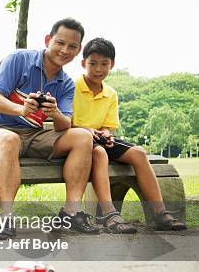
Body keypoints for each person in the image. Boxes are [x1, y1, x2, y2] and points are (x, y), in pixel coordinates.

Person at [0, 18, 99, 239]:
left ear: (78, 50)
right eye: (60, 42)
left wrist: (55, 113)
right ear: (48, 40)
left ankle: (71, 212)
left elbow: (64, 124)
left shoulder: (66, 84)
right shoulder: (18, 59)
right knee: (10, 139)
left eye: (72, 46)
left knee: (82, 137)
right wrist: (21, 109)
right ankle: (6, 219)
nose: (64, 50)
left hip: (32, 135)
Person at [72, 37, 187, 232]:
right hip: (79, 140)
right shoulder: (73, 87)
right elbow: (68, 123)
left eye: (104, 64)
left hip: (100, 139)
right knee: (99, 153)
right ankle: (110, 216)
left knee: (139, 152)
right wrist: (87, 131)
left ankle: (160, 213)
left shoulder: (111, 94)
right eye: (93, 63)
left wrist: (107, 134)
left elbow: (108, 126)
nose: (98, 69)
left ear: (112, 65)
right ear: (83, 63)